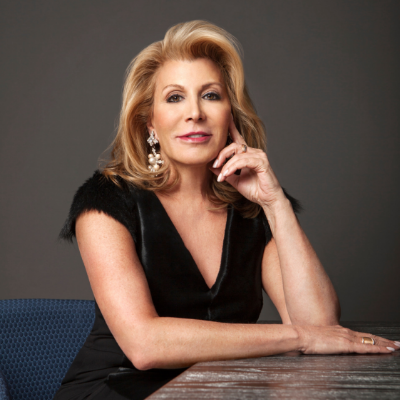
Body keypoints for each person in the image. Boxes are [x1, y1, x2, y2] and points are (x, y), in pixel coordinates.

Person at [53, 20, 399, 400]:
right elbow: (145, 345)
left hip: (218, 388)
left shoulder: (251, 208)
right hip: (117, 388)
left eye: (211, 95)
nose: (195, 113)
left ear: (230, 114)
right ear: (150, 122)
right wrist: (299, 337)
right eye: (174, 97)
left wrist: (275, 204)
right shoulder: (106, 200)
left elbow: (321, 327)